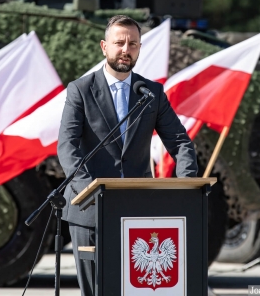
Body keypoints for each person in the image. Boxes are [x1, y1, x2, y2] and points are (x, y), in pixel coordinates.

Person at [57, 15, 197, 296]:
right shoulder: (81, 90)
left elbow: (180, 142)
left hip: (138, 210)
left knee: (137, 290)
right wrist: (89, 190)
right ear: (104, 47)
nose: (125, 49)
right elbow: (67, 147)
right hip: (89, 211)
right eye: (119, 42)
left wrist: (187, 187)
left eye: (132, 43)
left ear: (140, 48)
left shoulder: (151, 92)